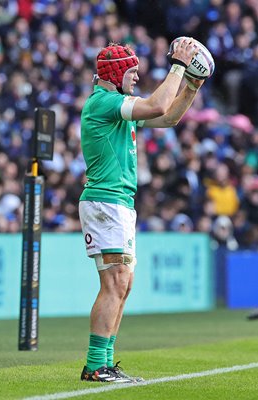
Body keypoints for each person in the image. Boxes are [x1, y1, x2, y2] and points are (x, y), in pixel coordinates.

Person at [79, 38, 204, 383]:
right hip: (105, 201)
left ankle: (103, 363)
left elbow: (168, 116)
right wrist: (179, 66)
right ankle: (95, 366)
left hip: (119, 203)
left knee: (124, 283)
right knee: (115, 282)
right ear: (117, 72)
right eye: (132, 72)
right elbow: (157, 105)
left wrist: (192, 85)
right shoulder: (104, 102)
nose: (136, 78)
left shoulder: (115, 104)